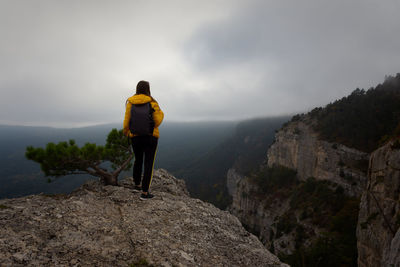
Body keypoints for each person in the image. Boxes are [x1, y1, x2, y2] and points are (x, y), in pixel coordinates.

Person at [123, 80, 164, 200]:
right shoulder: (152, 102)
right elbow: (157, 121)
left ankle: (137, 184)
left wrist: (126, 132)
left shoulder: (130, 102)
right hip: (150, 136)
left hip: (135, 136)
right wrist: (161, 114)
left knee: (138, 160)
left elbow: (126, 120)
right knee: (148, 163)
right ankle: (145, 193)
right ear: (148, 89)